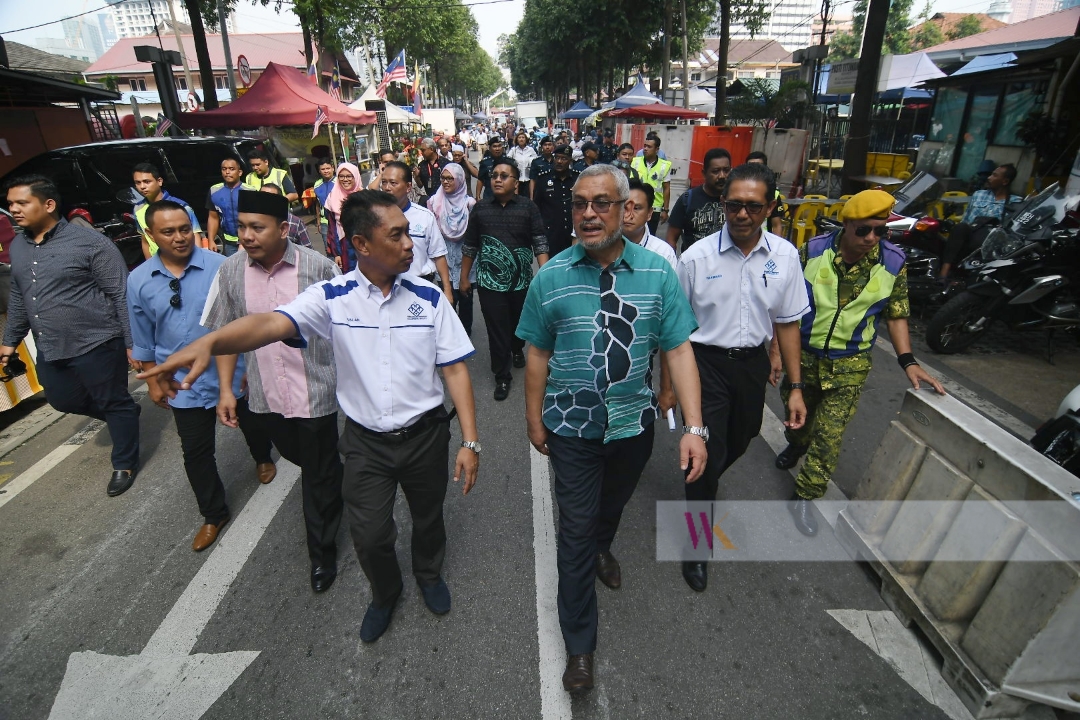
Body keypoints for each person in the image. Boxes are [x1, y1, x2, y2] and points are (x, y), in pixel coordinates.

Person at [142, 189, 480, 643]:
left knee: (428, 516)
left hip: (425, 437)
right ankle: (385, 592)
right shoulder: (331, 297)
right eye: (396, 235)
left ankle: (428, 573)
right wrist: (211, 342)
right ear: (361, 244)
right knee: (370, 532)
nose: (408, 245)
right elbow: (268, 324)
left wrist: (470, 441)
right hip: (365, 444)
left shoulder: (430, 298)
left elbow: (455, 368)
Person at [516, 163, 708, 693]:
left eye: (602, 203)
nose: (588, 214)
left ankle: (605, 542)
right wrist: (533, 419)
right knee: (573, 536)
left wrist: (694, 427)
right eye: (580, 203)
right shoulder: (551, 276)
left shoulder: (657, 272)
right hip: (571, 429)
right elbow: (537, 353)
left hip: (632, 426)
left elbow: (678, 348)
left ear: (626, 209)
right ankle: (580, 648)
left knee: (610, 507)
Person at [198, 189, 345, 591]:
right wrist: (227, 389)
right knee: (308, 461)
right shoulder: (230, 271)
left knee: (316, 474)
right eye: (241, 226)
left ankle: (322, 555)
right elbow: (226, 334)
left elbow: (345, 327)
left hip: (316, 391)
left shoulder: (318, 268)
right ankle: (334, 472)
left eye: (256, 227)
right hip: (265, 397)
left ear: (283, 229)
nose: (246, 235)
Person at [777, 190, 945, 536]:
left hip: (849, 364)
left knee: (830, 435)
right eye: (864, 230)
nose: (871, 239)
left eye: (880, 231)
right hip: (804, 358)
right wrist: (776, 352)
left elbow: (896, 314)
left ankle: (805, 496)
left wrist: (908, 361)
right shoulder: (812, 251)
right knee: (798, 423)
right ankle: (796, 446)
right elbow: (785, 306)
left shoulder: (894, 263)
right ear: (847, 224)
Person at [676, 162, 811, 590]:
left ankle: (707, 475)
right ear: (722, 205)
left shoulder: (786, 257)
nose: (742, 214)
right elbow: (674, 330)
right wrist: (667, 386)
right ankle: (697, 544)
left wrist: (795, 387)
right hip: (704, 363)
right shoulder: (696, 258)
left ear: (770, 207)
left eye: (753, 207)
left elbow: (787, 323)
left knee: (746, 433)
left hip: (751, 363)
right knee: (706, 452)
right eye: (734, 205)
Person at [127, 200, 275, 551]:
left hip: (233, 370)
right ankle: (213, 513)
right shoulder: (139, 279)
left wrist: (249, 363)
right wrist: (153, 381)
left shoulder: (221, 266)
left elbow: (243, 319)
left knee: (253, 424)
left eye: (184, 229)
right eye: (168, 232)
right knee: (195, 451)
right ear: (150, 235)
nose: (179, 238)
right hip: (184, 384)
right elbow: (142, 335)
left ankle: (263, 456)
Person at [2, 175, 140, 496]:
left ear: (48, 205)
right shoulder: (19, 246)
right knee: (62, 399)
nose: (13, 210)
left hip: (98, 341)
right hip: (51, 346)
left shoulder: (90, 243)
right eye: (10, 204)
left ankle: (124, 461)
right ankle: (123, 413)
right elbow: (21, 296)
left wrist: (133, 344)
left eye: (22, 203)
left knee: (111, 398)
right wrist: (10, 342)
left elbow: (121, 294)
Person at [460, 158, 549, 401]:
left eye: (504, 175)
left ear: (516, 183)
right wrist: (464, 277)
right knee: (496, 329)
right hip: (490, 283)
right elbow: (470, 245)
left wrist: (545, 274)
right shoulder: (480, 208)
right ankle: (502, 375)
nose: (497, 179)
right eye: (494, 175)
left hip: (522, 282)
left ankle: (517, 348)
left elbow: (539, 240)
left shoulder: (528, 208)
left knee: (519, 324)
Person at [380, 161, 454, 303]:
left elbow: (438, 255)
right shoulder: (375, 217)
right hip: (386, 288)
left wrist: (447, 290)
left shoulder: (424, 216)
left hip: (421, 286)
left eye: (393, 183)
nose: (387, 188)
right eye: (384, 182)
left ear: (408, 187)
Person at [939, 163, 1022, 278]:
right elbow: (966, 219)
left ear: (1005, 181)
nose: (989, 177)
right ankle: (944, 272)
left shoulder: (1015, 202)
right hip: (970, 234)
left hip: (990, 242)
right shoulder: (978, 195)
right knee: (960, 228)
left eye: (994, 175)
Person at [429, 163, 477, 335]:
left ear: (459, 180)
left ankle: (465, 333)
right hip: (444, 259)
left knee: (465, 298)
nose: (446, 182)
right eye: (443, 178)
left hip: (465, 261)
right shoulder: (434, 202)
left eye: (450, 178)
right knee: (447, 299)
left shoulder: (470, 204)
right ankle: (449, 335)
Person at [132, 162, 204, 257]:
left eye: (147, 182)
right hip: (159, 263)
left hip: (183, 261)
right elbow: (145, 240)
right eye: (138, 183)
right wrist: (150, 265)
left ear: (159, 181)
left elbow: (195, 235)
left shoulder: (180, 206)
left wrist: (197, 262)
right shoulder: (138, 209)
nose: (142, 187)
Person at [667, 147, 731, 252]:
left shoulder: (737, 200)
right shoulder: (687, 199)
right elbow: (671, 238)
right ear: (704, 173)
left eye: (726, 170)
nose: (722, 176)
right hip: (695, 265)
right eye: (716, 171)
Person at [532, 144, 579, 257]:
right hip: (550, 233)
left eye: (563, 158)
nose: (559, 161)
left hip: (572, 233)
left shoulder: (578, 178)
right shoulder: (544, 178)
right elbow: (537, 207)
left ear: (570, 161)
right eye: (557, 157)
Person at [206, 157, 257, 257]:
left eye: (231, 169)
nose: (227, 172)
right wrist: (211, 240)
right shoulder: (214, 191)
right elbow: (213, 217)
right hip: (229, 242)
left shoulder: (250, 191)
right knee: (233, 270)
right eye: (224, 169)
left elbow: (256, 219)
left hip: (249, 240)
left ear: (240, 172)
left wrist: (245, 240)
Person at [623, 180, 676, 269]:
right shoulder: (602, 248)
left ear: (649, 214)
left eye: (636, 208)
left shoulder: (664, 253)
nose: (629, 215)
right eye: (624, 208)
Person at [324, 162, 363, 271]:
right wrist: (336, 254)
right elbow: (332, 228)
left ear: (355, 176)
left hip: (365, 244)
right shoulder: (332, 197)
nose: (345, 179)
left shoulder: (364, 197)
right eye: (341, 176)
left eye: (349, 176)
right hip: (345, 246)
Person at [631, 134, 672, 234]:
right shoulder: (635, 162)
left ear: (657, 149)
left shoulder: (664, 166)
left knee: (650, 235)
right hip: (636, 205)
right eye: (644, 146)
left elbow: (666, 188)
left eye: (649, 147)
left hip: (655, 208)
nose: (645, 149)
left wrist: (665, 210)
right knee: (634, 233)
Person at [745, 151, 787, 236]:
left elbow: (776, 225)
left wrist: (776, 247)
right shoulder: (738, 192)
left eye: (759, 166)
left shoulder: (773, 194)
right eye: (751, 166)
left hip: (764, 241)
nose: (754, 170)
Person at [414, 138, 449, 209]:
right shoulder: (422, 165)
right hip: (430, 201)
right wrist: (417, 177)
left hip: (445, 200)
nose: (421, 153)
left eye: (423, 150)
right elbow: (420, 185)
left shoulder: (445, 163)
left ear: (432, 149)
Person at [507, 131, 539, 198]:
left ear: (526, 139)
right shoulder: (514, 150)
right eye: (519, 137)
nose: (521, 139)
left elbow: (536, 161)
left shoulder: (531, 149)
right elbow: (508, 160)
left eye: (523, 137)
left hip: (528, 179)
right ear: (517, 139)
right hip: (517, 179)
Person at [312, 159, 335, 243]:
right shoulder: (317, 185)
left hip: (339, 221)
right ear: (319, 171)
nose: (326, 171)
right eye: (323, 169)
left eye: (328, 168)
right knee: (328, 250)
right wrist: (318, 222)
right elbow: (317, 204)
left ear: (333, 168)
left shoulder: (339, 182)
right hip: (325, 222)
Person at [475, 135, 506, 200]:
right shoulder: (485, 163)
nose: (497, 149)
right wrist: (478, 196)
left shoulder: (508, 162)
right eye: (494, 146)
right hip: (489, 195)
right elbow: (480, 179)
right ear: (490, 148)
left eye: (499, 146)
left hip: (505, 195)